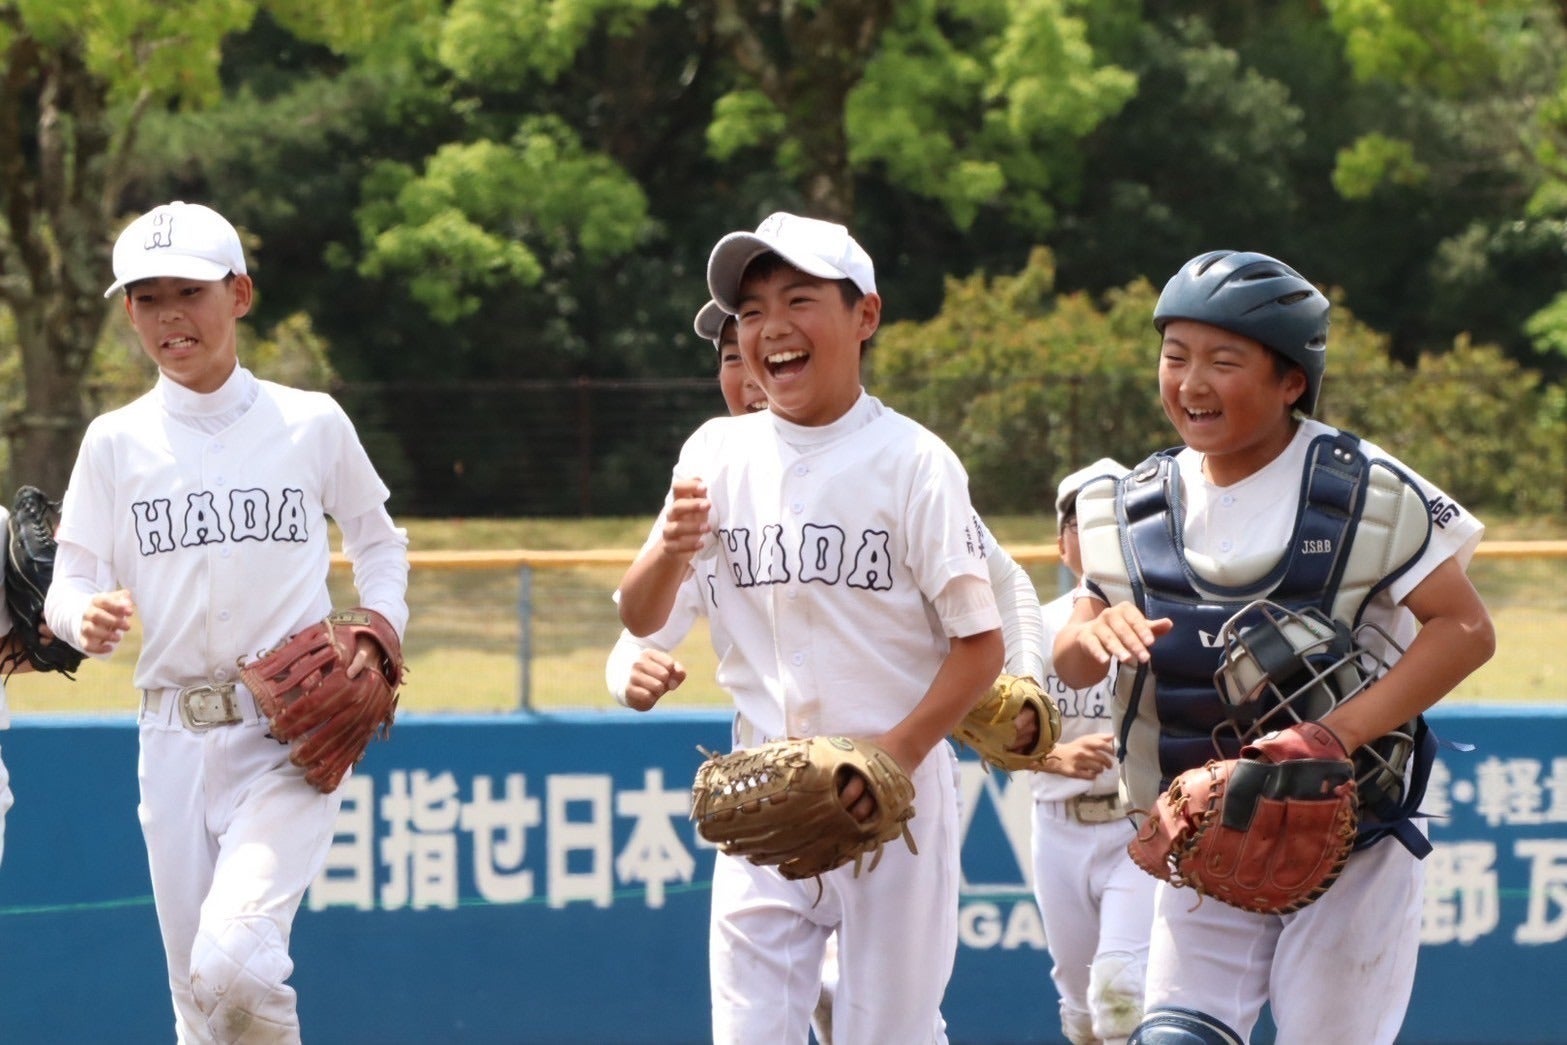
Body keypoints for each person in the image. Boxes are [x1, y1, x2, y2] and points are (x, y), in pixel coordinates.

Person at [1052, 250, 1495, 1044]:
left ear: (1291, 380)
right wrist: (1087, 634)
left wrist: (1332, 733)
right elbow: (1075, 657)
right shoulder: (1133, 501)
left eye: (1223, 362)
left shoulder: (1362, 488)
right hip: (1205, 838)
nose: (1190, 382)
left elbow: (1465, 629)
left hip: (1350, 840)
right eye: (1175, 356)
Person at [606, 299, 1046, 1044]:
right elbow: (641, 622)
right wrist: (627, 670)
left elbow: (1002, 588)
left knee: (889, 1031)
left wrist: (1025, 678)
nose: (751, 367)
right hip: (764, 788)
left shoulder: (903, 459)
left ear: (858, 319)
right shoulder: (713, 460)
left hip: (894, 799)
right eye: (735, 351)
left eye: (793, 311)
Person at [44, 200, 410, 1044]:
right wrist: (79, 615)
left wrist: (377, 630)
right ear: (128, 312)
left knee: (235, 965)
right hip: (169, 739)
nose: (169, 315)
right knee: (199, 1006)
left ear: (239, 294)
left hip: (286, 733)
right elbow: (71, 579)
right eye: (146, 298)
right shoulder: (114, 441)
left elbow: (379, 542)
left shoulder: (309, 421)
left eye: (190, 292)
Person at [1030, 457, 1154, 1045]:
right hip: (1058, 826)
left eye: (1116, 518)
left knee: (1121, 990)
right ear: (1062, 544)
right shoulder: (1035, 629)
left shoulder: (1164, 620)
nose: (1101, 532)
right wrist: (1054, 757)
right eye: (1083, 522)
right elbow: (982, 728)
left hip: (1139, 826)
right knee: (1081, 1009)